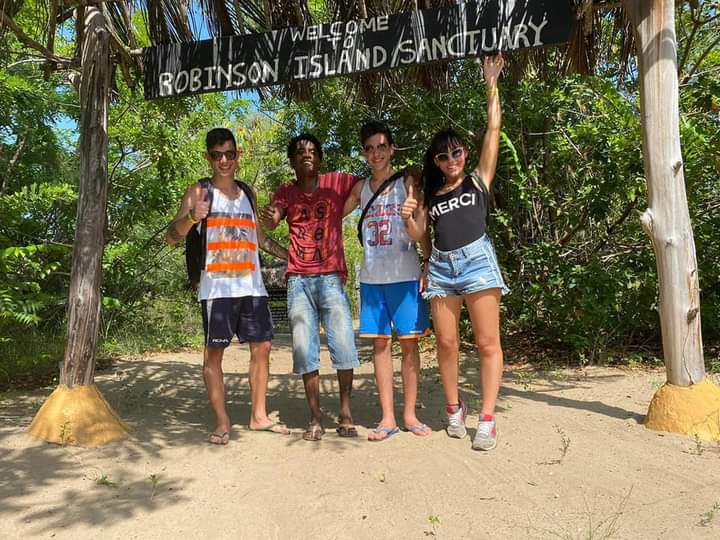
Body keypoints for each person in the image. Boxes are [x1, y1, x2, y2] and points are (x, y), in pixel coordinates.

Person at [402, 54, 508, 451]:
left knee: (487, 342)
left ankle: (487, 418)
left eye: (457, 152)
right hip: (442, 267)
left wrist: (491, 83)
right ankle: (453, 407)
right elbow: (420, 235)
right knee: (446, 344)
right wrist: (410, 214)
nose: (451, 160)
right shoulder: (431, 193)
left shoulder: (478, 181)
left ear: (465, 152)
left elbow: (493, 128)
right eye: (443, 156)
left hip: (477, 262)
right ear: (435, 161)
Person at [165, 127, 290, 445]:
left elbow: (259, 239)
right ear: (208, 157)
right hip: (217, 289)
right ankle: (222, 422)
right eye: (217, 155)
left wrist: (292, 257)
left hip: (252, 286)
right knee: (214, 354)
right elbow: (171, 236)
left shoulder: (248, 192)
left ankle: (259, 416)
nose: (224, 161)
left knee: (263, 347)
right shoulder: (199, 191)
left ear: (238, 155)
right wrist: (192, 218)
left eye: (229, 154)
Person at [260, 133, 360, 442]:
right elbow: (273, 220)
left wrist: (343, 209)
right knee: (305, 349)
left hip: (331, 276)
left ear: (320, 158)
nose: (307, 155)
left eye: (313, 151)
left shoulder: (336, 182)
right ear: (292, 160)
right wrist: (271, 217)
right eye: (301, 151)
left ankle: (345, 413)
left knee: (343, 344)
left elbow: (364, 186)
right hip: (299, 280)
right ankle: (315, 417)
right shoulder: (286, 191)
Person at [342, 121, 432, 441]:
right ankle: (388, 417)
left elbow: (422, 231)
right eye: (370, 148)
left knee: (409, 345)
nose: (376, 153)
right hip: (372, 278)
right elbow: (332, 214)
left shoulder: (408, 183)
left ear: (392, 149)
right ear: (363, 153)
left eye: (382, 147)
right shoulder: (360, 189)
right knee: (380, 345)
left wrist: (428, 264)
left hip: (405, 275)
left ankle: (409, 414)